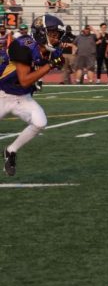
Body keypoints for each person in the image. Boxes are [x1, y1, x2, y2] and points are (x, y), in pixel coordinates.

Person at [1, 14, 65, 177]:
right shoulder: (22, 45)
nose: (56, 39)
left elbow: (39, 70)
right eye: (52, 34)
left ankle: (11, 151)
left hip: (22, 96)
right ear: (41, 33)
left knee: (40, 122)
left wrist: (52, 64)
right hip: (3, 93)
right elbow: (24, 80)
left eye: (57, 35)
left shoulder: (52, 51)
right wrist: (50, 65)